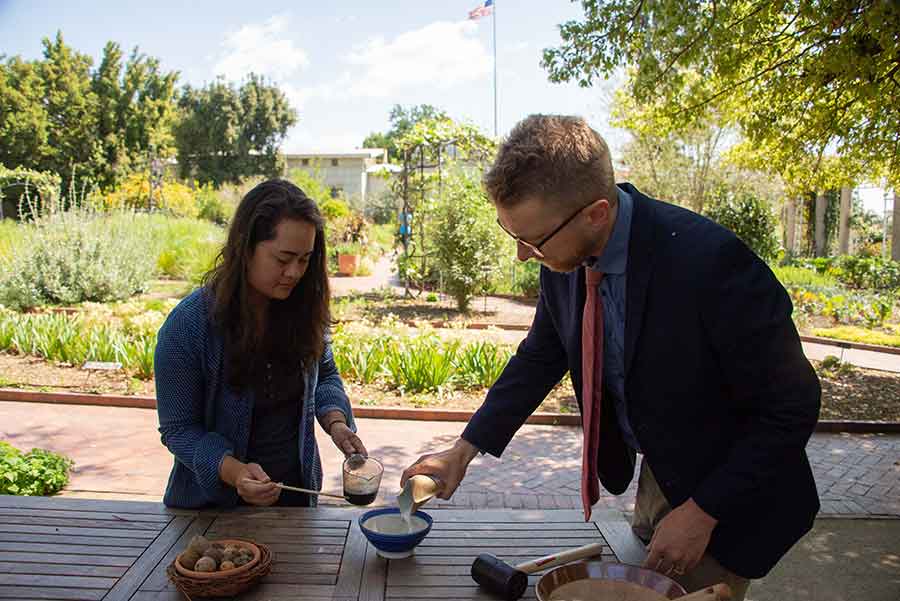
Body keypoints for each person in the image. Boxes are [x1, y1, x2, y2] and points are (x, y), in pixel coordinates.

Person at [400, 115, 820, 599]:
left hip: (732, 486)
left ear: (596, 213)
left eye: (533, 241)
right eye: (513, 234)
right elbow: (542, 354)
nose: (522, 255)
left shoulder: (712, 264)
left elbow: (793, 406)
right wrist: (463, 450)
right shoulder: (564, 257)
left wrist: (702, 511)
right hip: (661, 471)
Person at [155, 179, 366, 509]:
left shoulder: (303, 311)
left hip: (296, 501)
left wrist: (337, 424)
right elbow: (179, 430)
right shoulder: (189, 325)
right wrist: (235, 472)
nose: (295, 273)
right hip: (213, 513)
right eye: (283, 259)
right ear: (245, 247)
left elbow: (324, 376)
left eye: (305, 259)